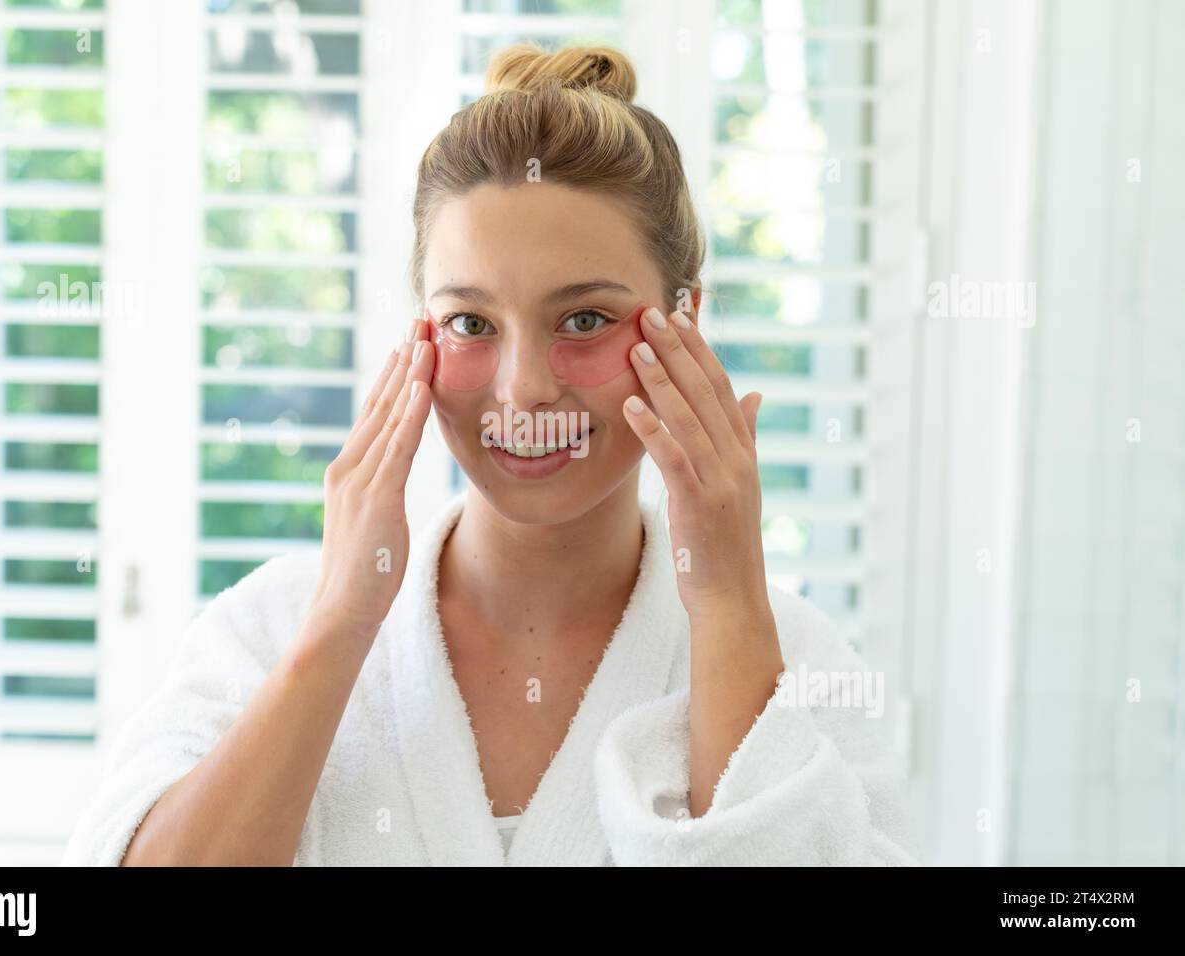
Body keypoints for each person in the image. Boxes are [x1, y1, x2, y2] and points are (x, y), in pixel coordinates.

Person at [60, 43, 919, 867]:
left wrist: (728, 603)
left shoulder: (787, 656)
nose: (522, 390)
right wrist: (343, 624)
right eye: (472, 322)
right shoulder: (272, 628)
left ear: (684, 322)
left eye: (583, 320)